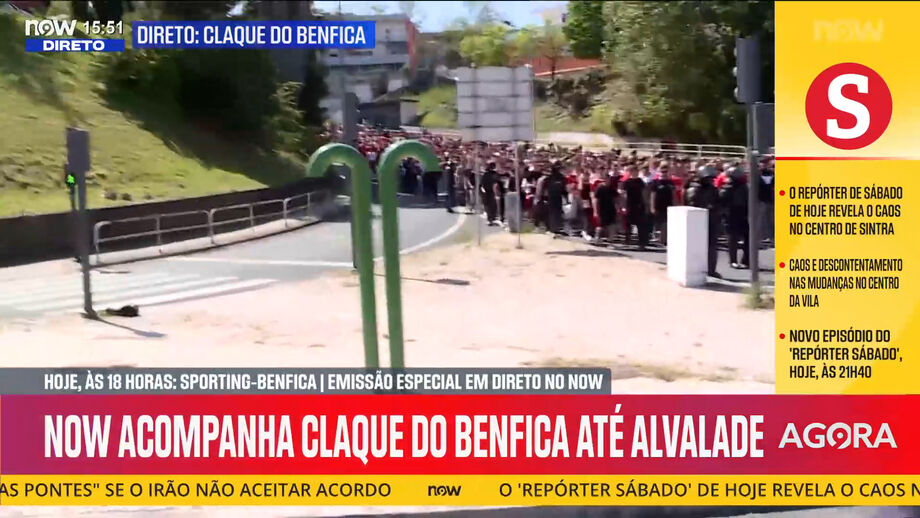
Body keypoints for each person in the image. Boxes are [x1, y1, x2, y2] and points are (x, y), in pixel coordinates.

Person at [686, 165, 722, 278]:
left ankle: (711, 269)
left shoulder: (713, 189)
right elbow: (691, 205)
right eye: (708, 178)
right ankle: (695, 269)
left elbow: (718, 203)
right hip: (697, 222)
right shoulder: (693, 189)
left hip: (712, 220)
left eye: (712, 178)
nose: (710, 180)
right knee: (696, 247)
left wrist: (716, 210)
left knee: (712, 246)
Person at [720, 166, 750, 269]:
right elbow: (722, 202)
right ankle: (733, 260)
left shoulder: (744, 186)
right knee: (733, 239)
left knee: (747, 238)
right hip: (731, 214)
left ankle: (746, 260)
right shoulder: (728, 187)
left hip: (743, 213)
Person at [622, 164, 650, 249]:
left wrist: (646, 205)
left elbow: (644, 193)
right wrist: (623, 206)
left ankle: (642, 243)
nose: (635, 172)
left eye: (636, 171)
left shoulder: (640, 181)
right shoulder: (626, 182)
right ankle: (627, 241)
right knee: (628, 225)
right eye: (633, 171)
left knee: (641, 225)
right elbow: (624, 195)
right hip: (629, 205)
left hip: (639, 205)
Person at [650, 161, 675, 246]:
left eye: (666, 171)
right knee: (657, 223)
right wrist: (652, 207)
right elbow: (653, 195)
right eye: (662, 171)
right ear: (659, 171)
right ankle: (656, 238)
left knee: (666, 223)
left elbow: (674, 194)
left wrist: (676, 205)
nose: (664, 173)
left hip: (668, 206)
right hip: (658, 206)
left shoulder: (670, 182)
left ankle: (663, 240)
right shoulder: (655, 182)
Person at [592, 172, 618, 242]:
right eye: (607, 179)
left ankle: (610, 239)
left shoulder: (612, 188)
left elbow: (616, 198)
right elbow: (595, 199)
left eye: (609, 179)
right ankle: (596, 238)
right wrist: (595, 211)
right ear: (604, 179)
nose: (608, 181)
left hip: (611, 209)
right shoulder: (600, 188)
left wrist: (617, 208)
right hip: (602, 209)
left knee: (612, 224)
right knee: (601, 225)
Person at [480, 161, 499, 225]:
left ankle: (490, 218)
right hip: (490, 191)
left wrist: (483, 191)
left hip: (486, 191)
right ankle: (491, 218)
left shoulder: (485, 173)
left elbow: (482, 184)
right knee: (491, 205)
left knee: (487, 205)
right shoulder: (494, 174)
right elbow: (495, 184)